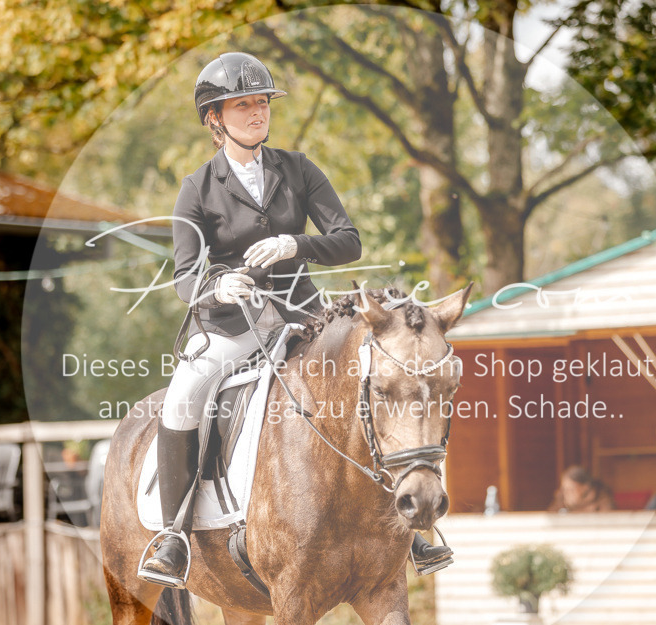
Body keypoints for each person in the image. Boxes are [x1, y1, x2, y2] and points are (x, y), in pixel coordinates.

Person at [140, 52, 453, 585]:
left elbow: (348, 241)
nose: (257, 112)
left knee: (382, 377)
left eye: (262, 102)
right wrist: (219, 284)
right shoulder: (197, 188)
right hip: (232, 326)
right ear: (215, 117)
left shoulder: (299, 168)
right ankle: (173, 534)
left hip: (304, 318)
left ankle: (416, 529)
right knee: (184, 395)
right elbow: (184, 277)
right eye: (243, 104)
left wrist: (295, 242)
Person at [548, 466, 614, 513]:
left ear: (585, 487)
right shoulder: (562, 497)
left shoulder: (602, 498)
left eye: (571, 489)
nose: (567, 493)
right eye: (564, 489)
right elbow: (550, 519)